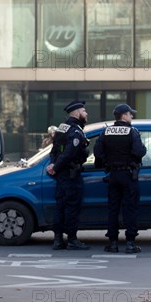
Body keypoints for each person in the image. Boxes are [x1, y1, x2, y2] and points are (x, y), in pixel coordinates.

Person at [94, 104, 147, 253]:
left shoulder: (106, 132)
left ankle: (113, 243)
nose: (131, 117)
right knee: (130, 209)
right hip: (129, 175)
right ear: (124, 116)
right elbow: (139, 151)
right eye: (130, 114)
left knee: (113, 209)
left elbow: (97, 151)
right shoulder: (132, 132)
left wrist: (107, 161)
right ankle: (130, 244)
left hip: (113, 175)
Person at [46, 100, 90, 250]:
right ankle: (72, 239)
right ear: (77, 113)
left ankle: (58, 240)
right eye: (84, 111)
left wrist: (53, 165)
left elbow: (54, 151)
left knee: (60, 206)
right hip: (71, 174)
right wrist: (56, 166)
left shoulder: (62, 128)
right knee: (72, 207)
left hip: (61, 175)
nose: (86, 114)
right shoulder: (76, 131)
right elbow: (68, 153)